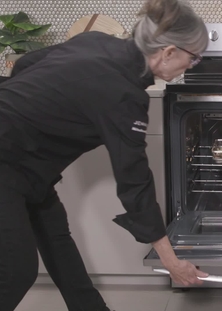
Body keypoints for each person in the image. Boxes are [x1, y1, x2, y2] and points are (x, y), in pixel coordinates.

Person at [0, 0, 209, 310]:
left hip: (30, 167)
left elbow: (26, 65)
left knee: (58, 242)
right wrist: (172, 262)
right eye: (193, 59)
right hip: (8, 164)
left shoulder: (96, 40)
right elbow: (134, 183)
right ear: (167, 53)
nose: (191, 66)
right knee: (17, 269)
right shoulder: (124, 96)